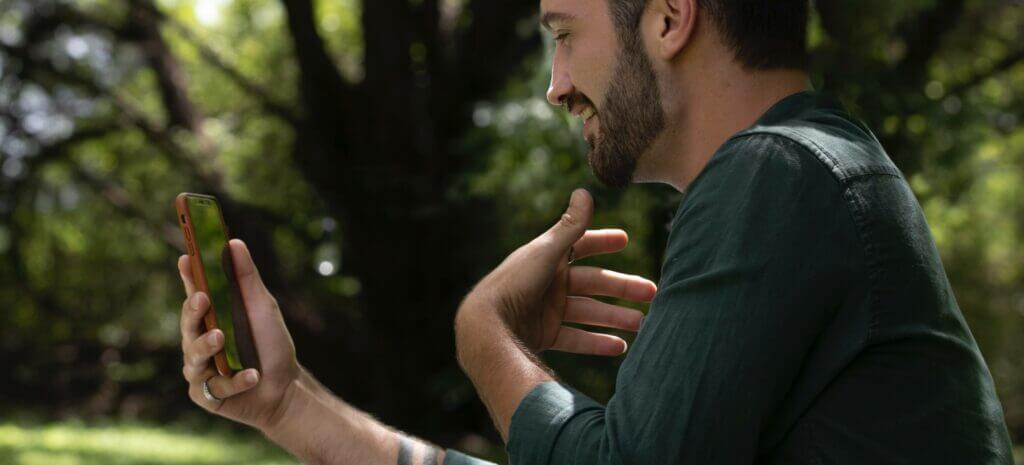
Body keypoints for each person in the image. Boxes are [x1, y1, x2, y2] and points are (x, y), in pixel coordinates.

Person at [177, 0, 1014, 463]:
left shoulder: (779, 173)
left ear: (669, 17)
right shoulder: (812, 169)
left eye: (564, 35)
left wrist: (485, 335)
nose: (555, 85)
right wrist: (289, 403)